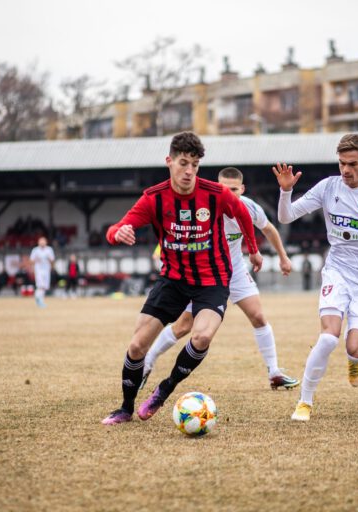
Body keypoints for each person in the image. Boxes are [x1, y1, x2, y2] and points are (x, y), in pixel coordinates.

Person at [101, 132, 262, 426]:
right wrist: (117, 233)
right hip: (173, 280)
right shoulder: (153, 198)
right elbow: (116, 228)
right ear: (170, 161)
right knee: (137, 347)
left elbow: (242, 214)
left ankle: (165, 389)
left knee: (201, 337)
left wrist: (253, 249)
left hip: (212, 280)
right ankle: (125, 409)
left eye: (195, 165)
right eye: (183, 163)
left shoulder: (216, 193)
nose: (189, 171)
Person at [272, 133, 358, 422]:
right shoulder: (328, 187)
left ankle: (357, 361)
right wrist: (285, 192)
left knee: (354, 348)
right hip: (337, 273)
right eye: (342, 163)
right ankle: (304, 402)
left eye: (352, 164)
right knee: (328, 337)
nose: (345, 169)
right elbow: (286, 217)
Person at [141, 167, 298, 392]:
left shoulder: (250, 208)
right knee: (183, 326)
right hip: (206, 274)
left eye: (233, 189)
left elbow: (269, 229)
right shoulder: (203, 208)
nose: (228, 193)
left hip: (235, 271)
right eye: (223, 188)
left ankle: (274, 372)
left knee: (258, 317)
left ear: (242, 189)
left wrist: (283, 258)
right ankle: (148, 361)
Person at [30, 236, 55, 308]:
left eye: (43, 241)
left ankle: (39, 299)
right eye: (41, 241)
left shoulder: (49, 250)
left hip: (46, 270)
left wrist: (51, 264)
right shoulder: (35, 250)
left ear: (46, 242)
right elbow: (31, 260)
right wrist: (36, 261)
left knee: (45, 286)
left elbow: (52, 260)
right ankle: (39, 299)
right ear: (38, 242)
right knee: (40, 285)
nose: (42, 243)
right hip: (39, 270)